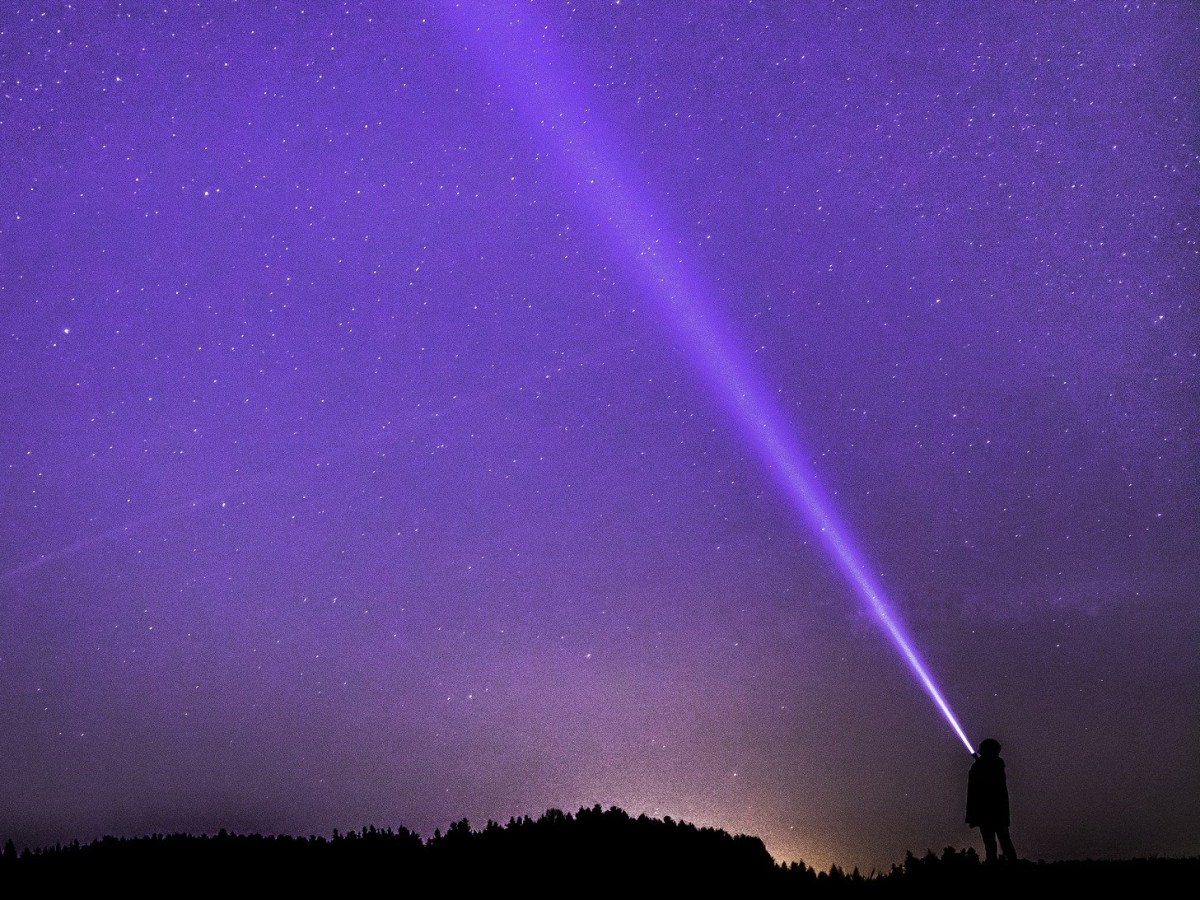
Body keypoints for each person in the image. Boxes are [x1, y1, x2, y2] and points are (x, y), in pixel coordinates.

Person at [966, 738, 1018, 863]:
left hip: (992, 810)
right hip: (988, 810)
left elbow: (988, 782)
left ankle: (1009, 863)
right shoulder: (988, 765)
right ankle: (996, 863)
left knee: (1002, 841)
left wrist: (981, 765)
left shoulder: (996, 764)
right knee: (992, 843)